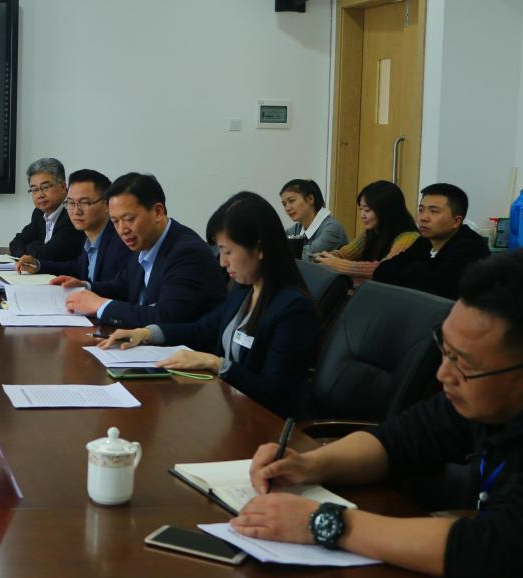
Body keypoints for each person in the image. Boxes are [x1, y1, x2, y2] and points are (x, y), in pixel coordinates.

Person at [232, 250, 523, 578]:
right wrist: (308, 465)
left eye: (464, 364)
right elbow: (397, 440)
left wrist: (325, 523)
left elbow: (496, 547)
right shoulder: (487, 398)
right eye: (445, 350)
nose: (443, 374)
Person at [99, 193, 319, 418]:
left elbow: (275, 392)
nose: (223, 262)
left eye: (228, 251)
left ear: (260, 249)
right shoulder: (244, 290)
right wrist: (146, 333)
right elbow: (201, 329)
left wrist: (216, 363)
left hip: (271, 424)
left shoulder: (293, 309)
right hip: (235, 410)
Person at [61, 173, 225, 327]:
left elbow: (166, 317)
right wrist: (86, 287)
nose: (122, 230)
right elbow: (121, 286)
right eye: (115, 221)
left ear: (158, 212)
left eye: (129, 219)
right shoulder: (143, 241)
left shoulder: (187, 253)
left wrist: (100, 305)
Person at [373, 183, 490, 300]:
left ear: (456, 221)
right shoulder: (425, 241)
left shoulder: (470, 249)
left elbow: (437, 291)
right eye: (421, 210)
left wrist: (414, 269)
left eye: (434, 211)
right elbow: (382, 271)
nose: (423, 218)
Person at [22, 169, 128, 291]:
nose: (76, 211)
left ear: (106, 205)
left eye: (84, 203)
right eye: (71, 203)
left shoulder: (121, 240)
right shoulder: (89, 238)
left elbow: (123, 289)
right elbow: (76, 267)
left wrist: (87, 287)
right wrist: (38, 265)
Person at [312, 180, 418, 282]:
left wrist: (336, 264)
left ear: (386, 210)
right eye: (361, 209)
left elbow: (383, 269)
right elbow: (345, 253)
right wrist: (322, 258)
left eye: (367, 210)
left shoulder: (409, 238)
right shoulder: (372, 231)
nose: (362, 215)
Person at [8, 158, 85, 262]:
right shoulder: (39, 213)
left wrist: (32, 247)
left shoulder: (72, 214)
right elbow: (15, 243)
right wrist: (28, 255)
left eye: (45, 187)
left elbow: (47, 256)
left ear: (63, 187)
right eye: (34, 190)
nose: (40, 195)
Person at [280, 178, 348, 258]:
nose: (287, 208)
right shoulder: (295, 229)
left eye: (291, 201)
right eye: (284, 204)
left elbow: (306, 256)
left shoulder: (332, 228)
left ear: (310, 199)